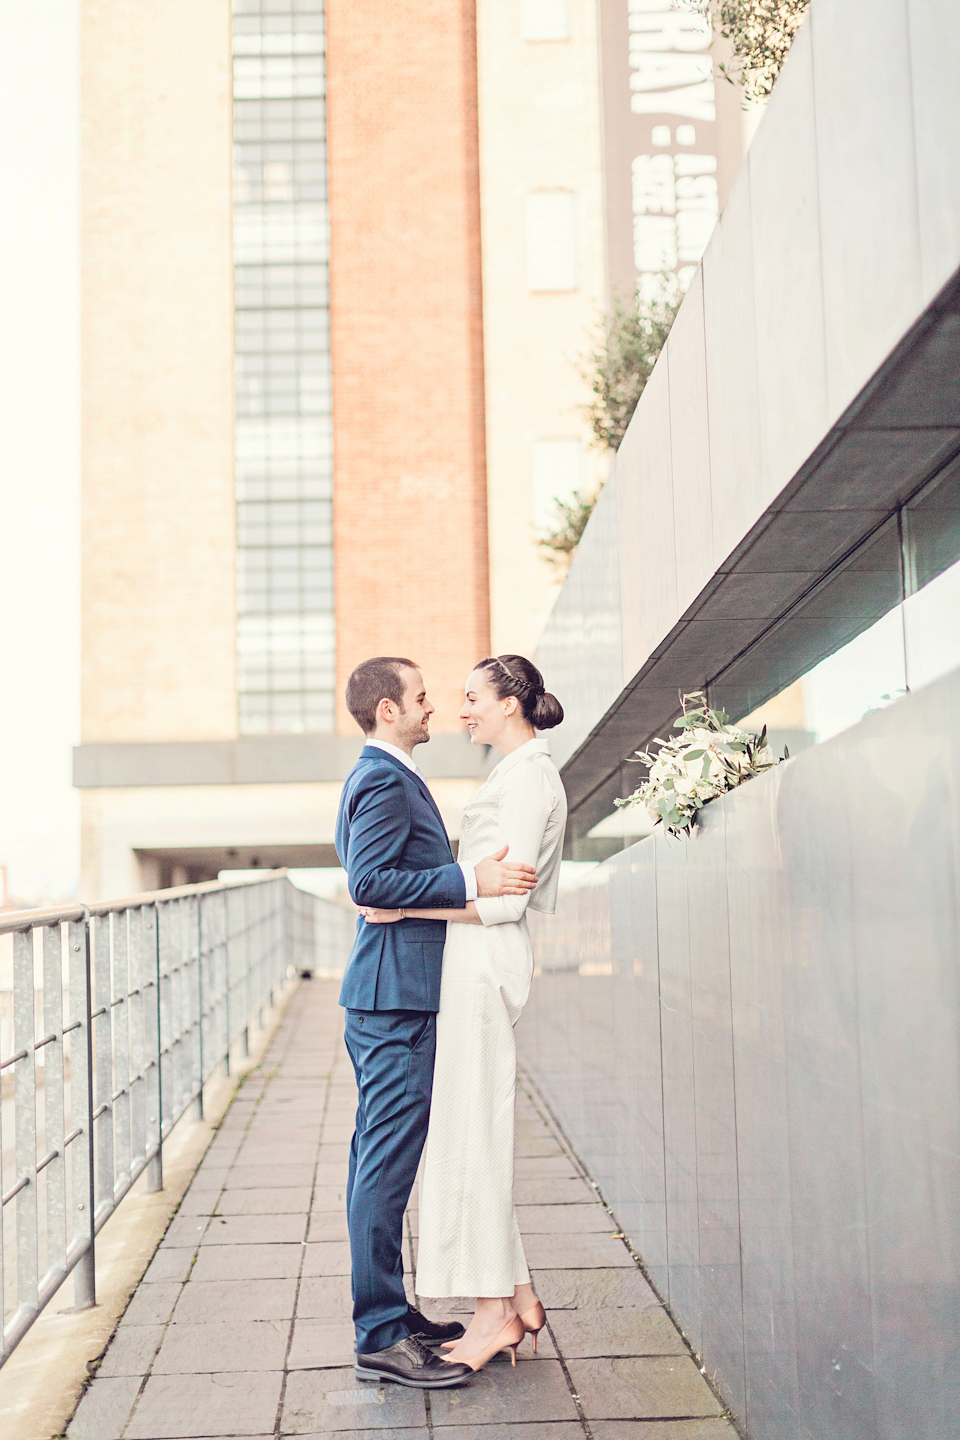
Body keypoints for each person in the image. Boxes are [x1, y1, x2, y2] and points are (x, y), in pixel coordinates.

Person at [336, 655, 540, 1391]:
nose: (434, 709)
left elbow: (381, 890)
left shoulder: (387, 775)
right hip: (395, 997)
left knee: (380, 1161)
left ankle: (393, 1313)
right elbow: (369, 885)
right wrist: (470, 880)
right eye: (421, 698)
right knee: (384, 1166)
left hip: (395, 993)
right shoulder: (384, 778)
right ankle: (380, 1335)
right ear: (388, 710)